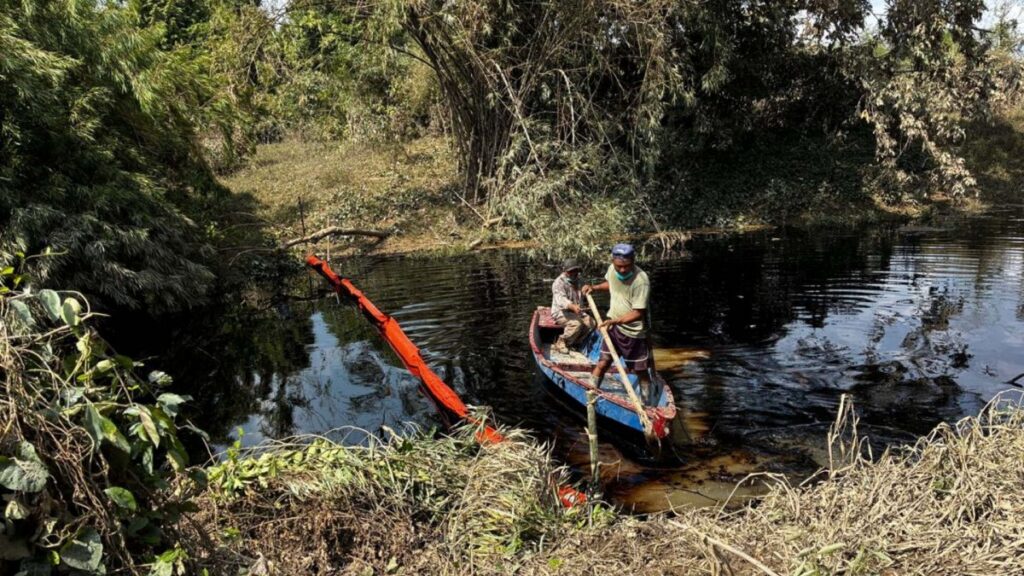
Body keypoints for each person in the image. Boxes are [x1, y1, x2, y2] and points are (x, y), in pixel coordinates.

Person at [582, 243, 656, 404]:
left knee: (641, 371)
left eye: (626, 266)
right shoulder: (612, 269)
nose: (622, 270)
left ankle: (647, 405)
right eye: (619, 266)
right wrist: (593, 288)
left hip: (633, 333)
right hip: (613, 328)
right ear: (613, 261)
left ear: (634, 260)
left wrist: (616, 320)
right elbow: (611, 284)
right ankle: (590, 396)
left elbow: (638, 313)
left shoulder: (640, 281)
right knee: (603, 362)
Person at [550, 259, 595, 354]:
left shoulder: (580, 281)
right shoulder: (558, 283)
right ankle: (561, 342)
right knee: (576, 324)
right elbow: (561, 300)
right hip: (561, 312)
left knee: (591, 323)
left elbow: (584, 296)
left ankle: (575, 342)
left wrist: (588, 303)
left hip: (578, 311)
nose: (573, 273)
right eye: (570, 271)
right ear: (565, 271)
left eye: (575, 271)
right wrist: (572, 306)